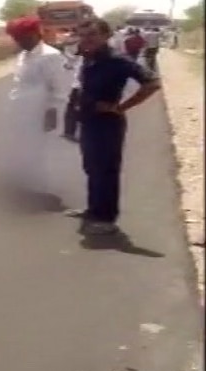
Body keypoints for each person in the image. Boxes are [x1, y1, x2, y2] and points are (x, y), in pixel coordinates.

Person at [67, 19, 161, 235]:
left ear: (106, 35)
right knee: (91, 169)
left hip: (107, 124)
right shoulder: (89, 59)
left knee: (106, 171)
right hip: (89, 122)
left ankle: (107, 219)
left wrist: (121, 107)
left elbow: (152, 83)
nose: (86, 39)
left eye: (92, 34)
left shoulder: (118, 60)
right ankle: (93, 210)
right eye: (82, 35)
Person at [0, 16, 71, 205]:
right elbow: (20, 84)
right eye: (16, 37)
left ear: (34, 34)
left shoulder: (51, 56)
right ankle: (26, 186)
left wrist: (52, 113)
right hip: (21, 112)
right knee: (22, 149)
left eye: (22, 37)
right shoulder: (23, 56)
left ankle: (41, 192)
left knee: (40, 151)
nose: (19, 41)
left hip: (41, 113)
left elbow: (61, 89)